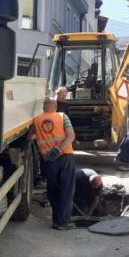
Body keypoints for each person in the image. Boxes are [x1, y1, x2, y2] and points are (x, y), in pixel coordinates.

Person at [31, 97, 76, 230]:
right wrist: (58, 149)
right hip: (65, 157)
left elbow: (29, 136)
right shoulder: (62, 117)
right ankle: (63, 222)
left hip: (49, 161)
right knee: (66, 190)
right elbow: (71, 136)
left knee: (53, 190)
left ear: (44, 108)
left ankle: (57, 220)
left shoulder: (36, 120)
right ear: (55, 107)